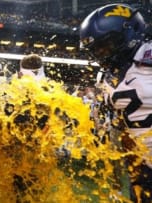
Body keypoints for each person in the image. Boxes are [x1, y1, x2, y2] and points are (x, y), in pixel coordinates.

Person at [79, 3, 152, 202]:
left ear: (128, 34)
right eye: (96, 50)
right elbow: (121, 128)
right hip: (142, 167)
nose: (101, 55)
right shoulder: (109, 75)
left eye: (106, 46)